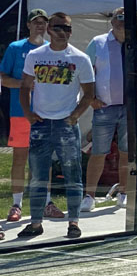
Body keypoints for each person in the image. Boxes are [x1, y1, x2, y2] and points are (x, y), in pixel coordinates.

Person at [18, 13, 95, 238]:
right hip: (41, 123)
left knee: (72, 173)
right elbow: (25, 87)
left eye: (68, 29)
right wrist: (28, 114)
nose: (63, 32)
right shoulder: (35, 55)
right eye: (59, 27)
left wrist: (75, 116)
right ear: (49, 30)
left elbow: (89, 93)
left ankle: (73, 222)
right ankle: (35, 223)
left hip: (65, 124)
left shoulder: (80, 58)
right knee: (38, 175)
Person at [81, 7, 137, 211]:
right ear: (112, 22)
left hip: (130, 108)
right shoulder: (98, 42)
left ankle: (123, 192)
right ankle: (89, 196)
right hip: (104, 107)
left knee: (126, 152)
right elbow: (86, 73)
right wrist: (91, 98)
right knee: (98, 152)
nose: (122, 22)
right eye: (119, 18)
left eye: (126, 19)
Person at [1, 8, 65, 222]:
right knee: (20, 159)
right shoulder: (15, 47)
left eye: (43, 22)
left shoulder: (52, 49)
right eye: (35, 22)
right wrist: (25, 85)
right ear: (28, 25)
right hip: (20, 113)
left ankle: (46, 202)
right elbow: (3, 77)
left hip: (46, 113)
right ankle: (17, 204)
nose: (39, 25)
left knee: (44, 161)